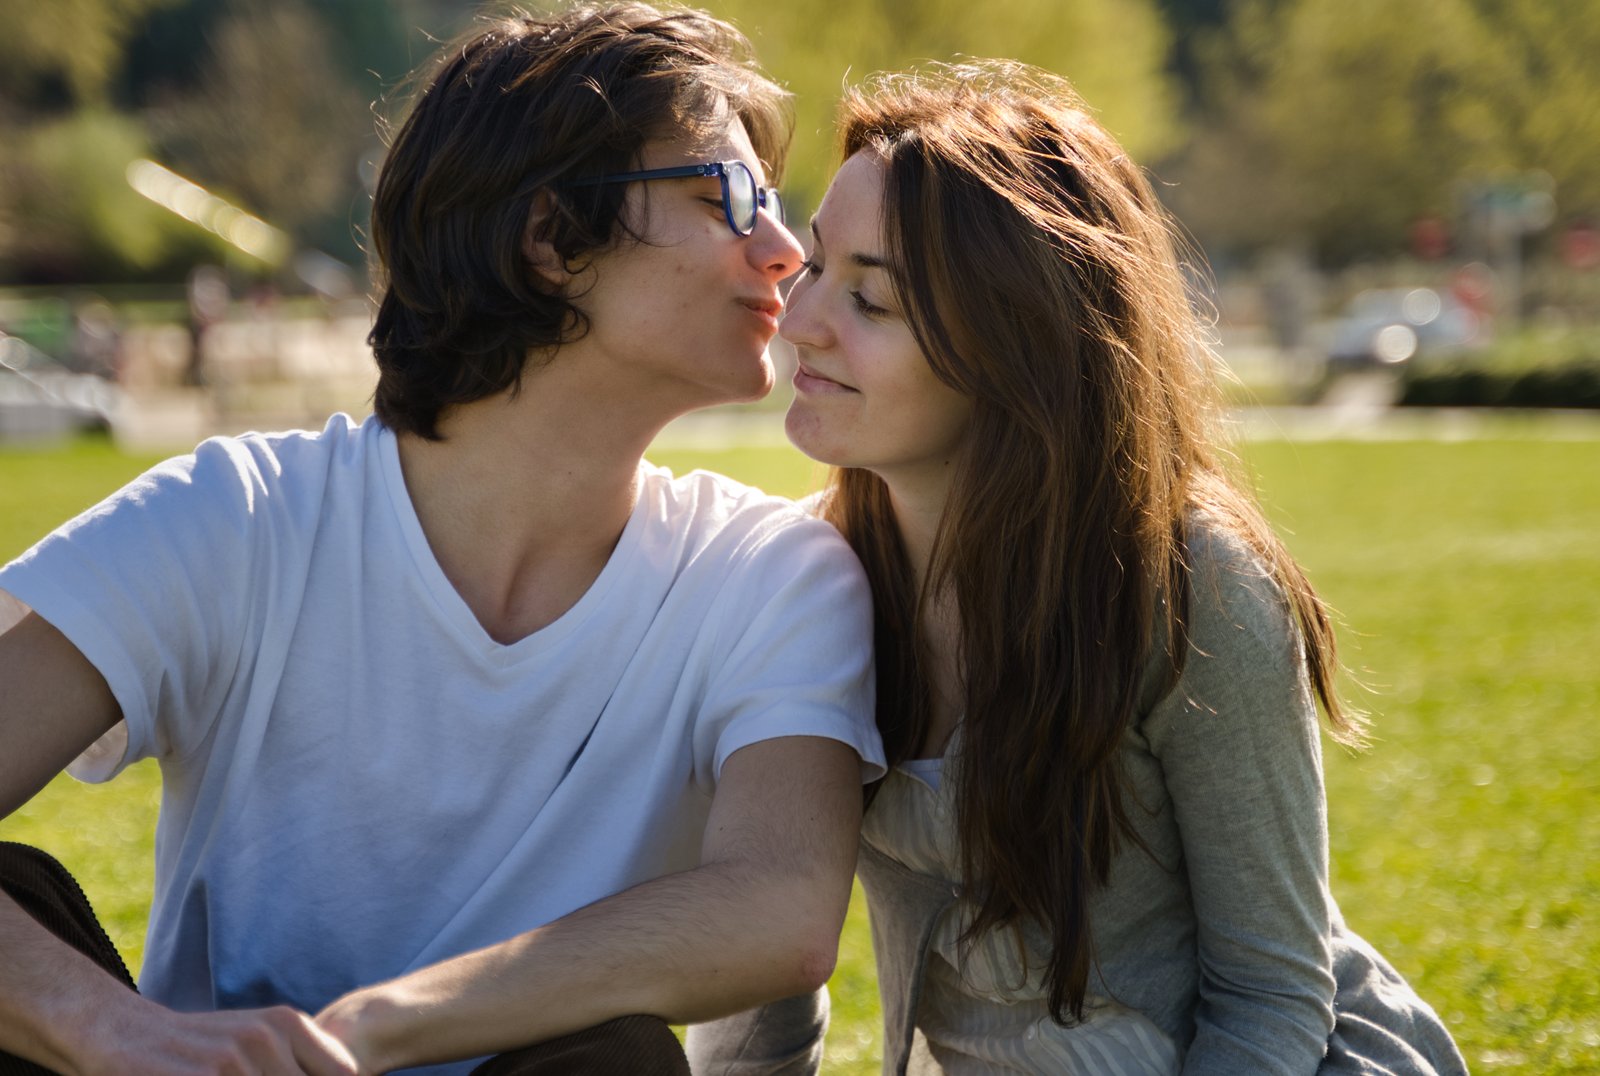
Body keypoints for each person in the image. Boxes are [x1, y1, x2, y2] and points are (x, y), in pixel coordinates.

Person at [0, 5, 884, 1074]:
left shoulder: (770, 575)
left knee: (613, 1059)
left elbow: (780, 905)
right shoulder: (240, 518)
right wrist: (116, 1032)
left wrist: (366, 1030)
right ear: (551, 237)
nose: (785, 253)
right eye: (723, 199)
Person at [697, 61, 1469, 1074]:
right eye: (815, 268)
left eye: (871, 300)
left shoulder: (1193, 589)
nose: (800, 321)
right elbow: (759, 958)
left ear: (1017, 345)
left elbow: (1272, 997)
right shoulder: (801, 580)